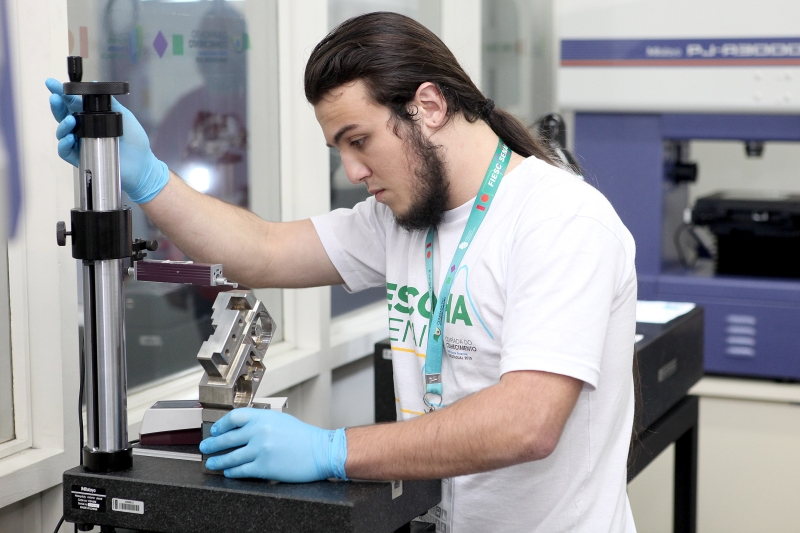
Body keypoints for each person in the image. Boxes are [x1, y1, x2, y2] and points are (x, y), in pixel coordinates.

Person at [47, 12, 637, 533]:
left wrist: (334, 450)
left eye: (360, 140)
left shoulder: (562, 221)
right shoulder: (400, 218)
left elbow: (526, 422)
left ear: (428, 106)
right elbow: (265, 252)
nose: (353, 170)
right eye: (340, 150)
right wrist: (148, 178)